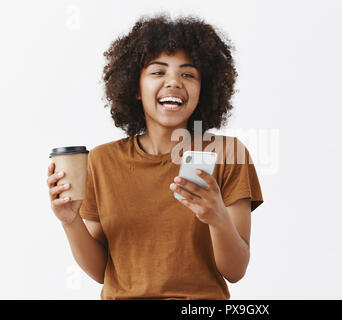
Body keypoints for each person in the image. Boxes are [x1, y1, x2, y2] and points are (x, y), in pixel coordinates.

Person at [46, 12, 263, 300]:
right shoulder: (101, 160)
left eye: (188, 74)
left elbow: (235, 271)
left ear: (203, 89)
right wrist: (69, 221)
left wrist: (217, 217)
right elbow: (102, 272)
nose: (173, 82)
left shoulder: (227, 154)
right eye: (158, 72)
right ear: (135, 88)